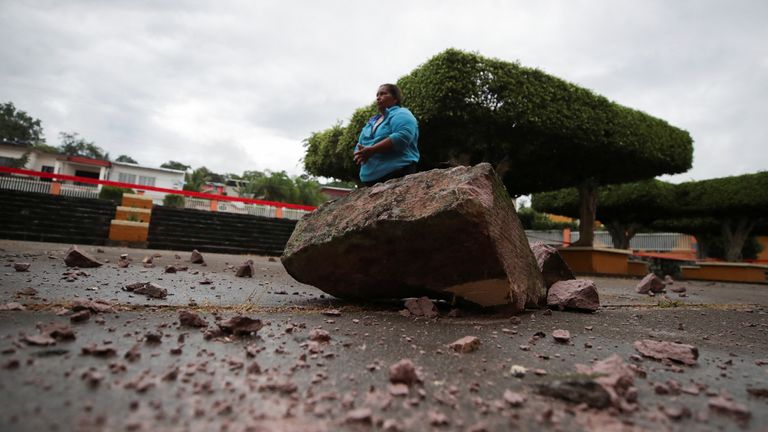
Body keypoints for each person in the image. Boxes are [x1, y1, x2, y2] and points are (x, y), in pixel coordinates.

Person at [353, 83, 419, 186]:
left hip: (397, 174)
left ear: (395, 99)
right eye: (377, 95)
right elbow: (360, 143)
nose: (378, 98)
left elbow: (403, 136)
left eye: (383, 94)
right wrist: (359, 154)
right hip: (369, 181)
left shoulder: (402, 113)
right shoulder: (372, 121)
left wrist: (373, 149)